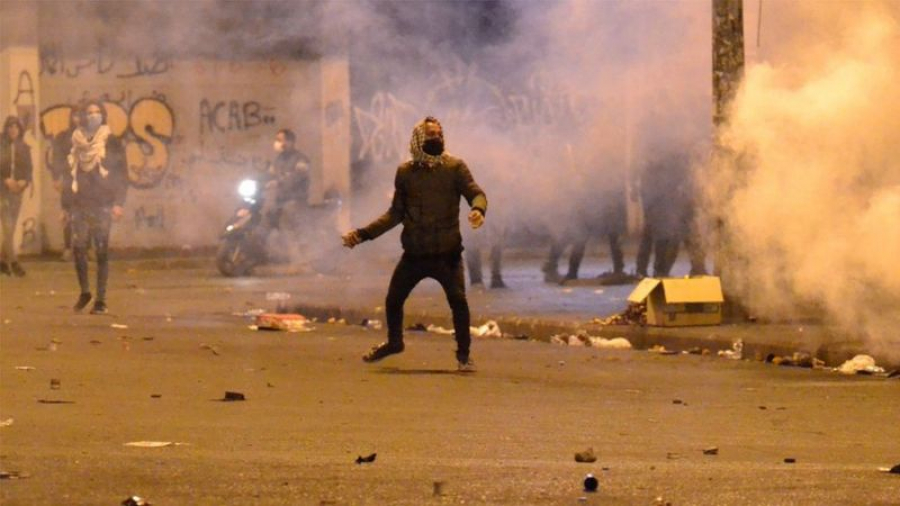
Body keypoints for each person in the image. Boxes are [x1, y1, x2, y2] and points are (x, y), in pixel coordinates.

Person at [342, 117, 487, 372]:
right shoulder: (406, 173)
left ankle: (464, 355)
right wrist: (362, 234)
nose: (436, 138)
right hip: (415, 254)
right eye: (431, 135)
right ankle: (394, 343)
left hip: (447, 254)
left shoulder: (454, 167)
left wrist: (478, 210)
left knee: (458, 300)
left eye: (439, 134)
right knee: (393, 299)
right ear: (419, 139)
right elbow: (395, 214)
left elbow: (476, 193)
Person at [65, 101, 128, 314]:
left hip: (103, 204)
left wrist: (119, 203)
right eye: (90, 112)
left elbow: (122, 174)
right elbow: (70, 174)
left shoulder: (112, 141)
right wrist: (65, 206)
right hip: (80, 204)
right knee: (79, 248)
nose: (94, 116)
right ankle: (85, 292)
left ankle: (101, 299)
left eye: (97, 112)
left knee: (101, 251)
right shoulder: (76, 140)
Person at [0, 116, 33, 277]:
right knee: (7, 227)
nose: (13, 130)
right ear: (6, 129)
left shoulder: (24, 147)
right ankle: (13, 262)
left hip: (17, 192)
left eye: (16, 127)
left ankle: (2, 261)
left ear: (20, 129)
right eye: (10, 126)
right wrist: (5, 180)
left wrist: (24, 182)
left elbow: (29, 170)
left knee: (11, 229)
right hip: (2, 191)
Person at [49, 106, 81, 261]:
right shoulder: (62, 137)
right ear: (71, 117)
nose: (77, 119)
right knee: (67, 214)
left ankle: (87, 248)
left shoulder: (90, 135)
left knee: (87, 215)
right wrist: (56, 178)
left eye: (80, 115)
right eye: (75, 115)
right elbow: (56, 159)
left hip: (87, 181)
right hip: (69, 180)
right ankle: (68, 248)